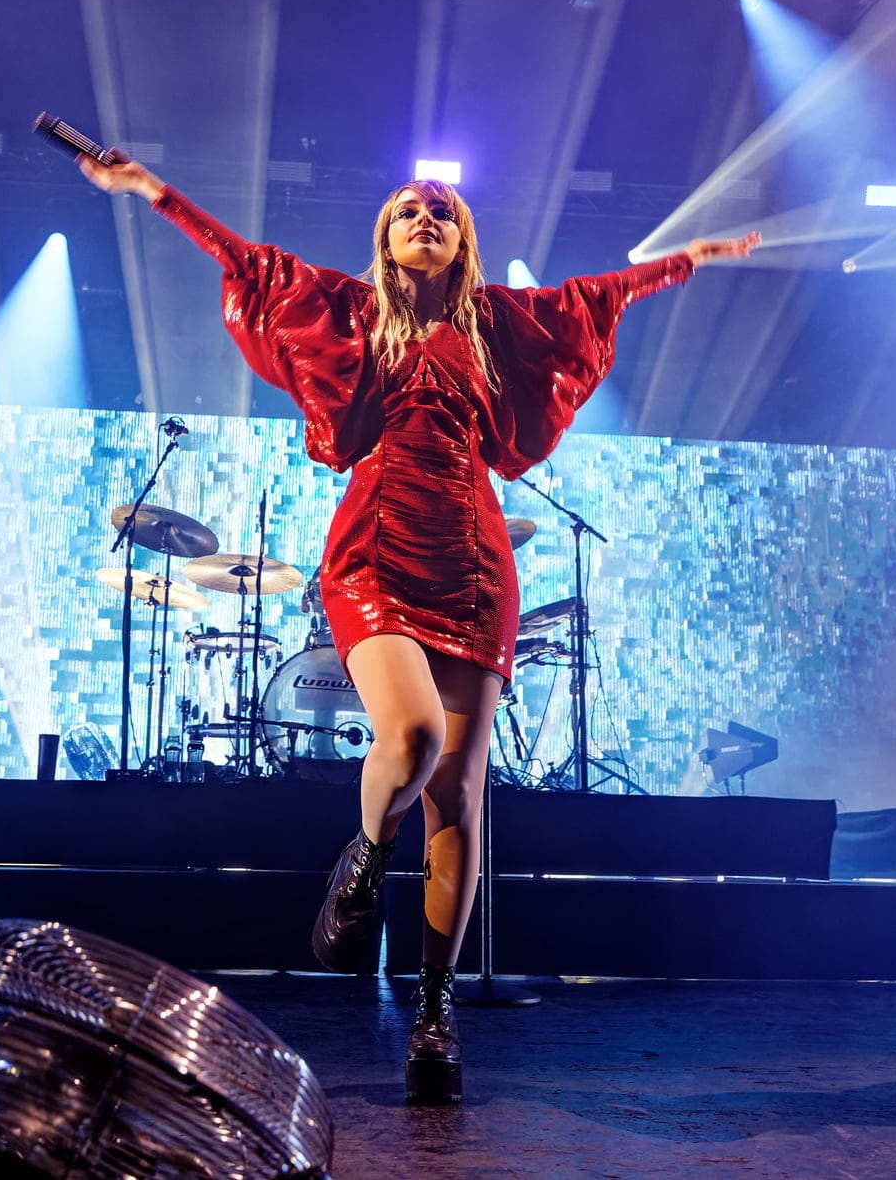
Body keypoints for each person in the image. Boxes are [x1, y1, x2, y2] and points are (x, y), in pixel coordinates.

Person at [79, 152, 756, 1104]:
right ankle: (362, 864)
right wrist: (155, 192)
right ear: (387, 238)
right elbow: (250, 260)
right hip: (375, 550)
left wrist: (682, 259)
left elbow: (599, 295)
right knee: (414, 737)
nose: (425, 215)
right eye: (406, 208)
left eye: (442, 208)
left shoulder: (499, 325)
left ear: (464, 238)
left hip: (476, 562)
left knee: (461, 797)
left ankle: (433, 1015)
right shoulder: (352, 313)